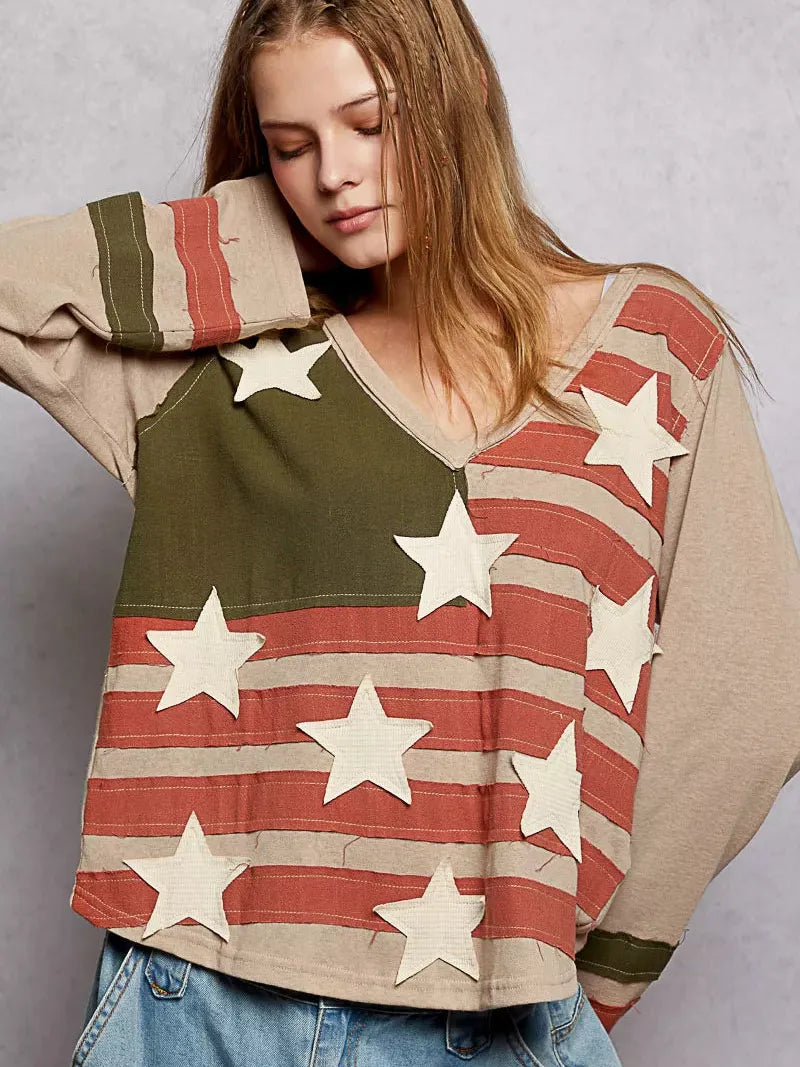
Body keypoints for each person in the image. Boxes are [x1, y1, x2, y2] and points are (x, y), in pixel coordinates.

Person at [0, 2, 797, 1065]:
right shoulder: (208, 364)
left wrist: (586, 970)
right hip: (192, 1002)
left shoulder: (649, 349)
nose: (334, 175)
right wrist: (259, 242)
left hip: (501, 1014)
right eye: (291, 146)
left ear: (461, 97)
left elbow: (752, 698)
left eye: (370, 124)